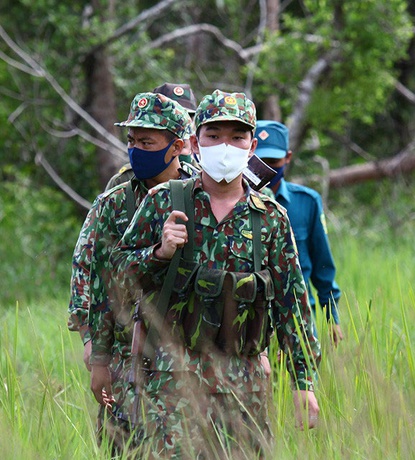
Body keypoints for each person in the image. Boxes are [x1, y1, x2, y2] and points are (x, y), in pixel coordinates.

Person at [110, 90, 321, 458]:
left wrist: (303, 383)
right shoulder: (163, 201)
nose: (225, 146)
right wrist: (159, 253)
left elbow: (293, 305)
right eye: (214, 135)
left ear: (252, 145)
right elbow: (118, 279)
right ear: (194, 142)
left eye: (237, 137)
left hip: (245, 386)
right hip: (172, 385)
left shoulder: (269, 217)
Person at [68, 92, 197, 453]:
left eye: (147, 142)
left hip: (194, 354)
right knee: (123, 445)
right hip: (129, 352)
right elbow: (91, 273)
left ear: (177, 146)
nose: (136, 149)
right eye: (132, 141)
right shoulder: (115, 202)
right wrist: (94, 347)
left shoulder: (203, 195)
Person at [254, 120, 343, 345]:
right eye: (261, 161)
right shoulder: (233, 203)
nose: (268, 169)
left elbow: (322, 263)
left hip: (298, 318)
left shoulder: (306, 202)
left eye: (274, 161)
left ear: (288, 158)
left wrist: (331, 316)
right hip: (251, 321)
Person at [105, 82, 199, 190]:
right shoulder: (121, 190)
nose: (180, 125)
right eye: (131, 141)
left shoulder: (203, 184)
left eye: (187, 117)